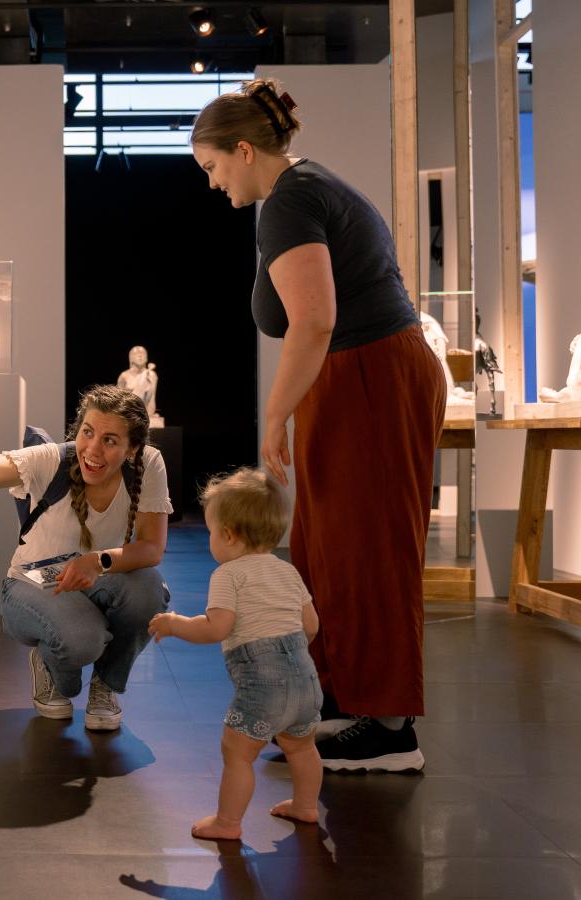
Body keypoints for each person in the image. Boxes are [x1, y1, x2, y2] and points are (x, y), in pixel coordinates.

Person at [191, 78, 445, 772]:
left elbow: (315, 318)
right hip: (356, 373)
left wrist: (274, 414)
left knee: (369, 548)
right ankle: (342, 701)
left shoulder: (294, 198)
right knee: (329, 546)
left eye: (213, 168)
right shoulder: (302, 192)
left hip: (370, 371)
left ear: (245, 150)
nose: (213, 184)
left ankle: (390, 727)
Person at [0, 385, 173, 731]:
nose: (93, 450)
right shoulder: (53, 459)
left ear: (132, 449)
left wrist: (97, 561)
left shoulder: (148, 465)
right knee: (83, 640)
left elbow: (151, 548)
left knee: (149, 590)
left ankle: (106, 687)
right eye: (88, 432)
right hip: (28, 586)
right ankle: (49, 663)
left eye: (110, 440)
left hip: (92, 581)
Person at [148, 468, 323, 841]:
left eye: (211, 531)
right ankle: (306, 806)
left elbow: (216, 628)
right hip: (306, 681)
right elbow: (311, 626)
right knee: (303, 748)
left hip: (263, 688)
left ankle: (228, 823)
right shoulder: (287, 571)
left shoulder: (228, 576)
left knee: (238, 753)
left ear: (227, 535)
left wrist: (175, 623)